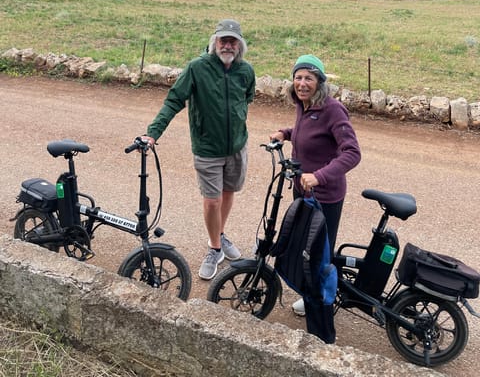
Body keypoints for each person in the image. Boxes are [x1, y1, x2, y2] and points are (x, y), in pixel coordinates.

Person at [141, 19, 256, 280]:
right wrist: (153, 133)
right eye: (223, 40)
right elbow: (174, 100)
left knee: (228, 193)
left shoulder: (246, 71)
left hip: (237, 146)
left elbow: (247, 98)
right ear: (214, 41)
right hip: (207, 148)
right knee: (211, 200)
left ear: (239, 45)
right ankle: (215, 247)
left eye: (232, 41)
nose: (227, 45)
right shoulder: (197, 68)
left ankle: (220, 234)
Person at [270, 54, 361, 343]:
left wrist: (319, 176)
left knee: (319, 252)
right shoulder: (304, 106)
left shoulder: (333, 110)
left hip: (325, 196)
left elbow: (352, 153)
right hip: (303, 190)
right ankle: (309, 291)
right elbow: (307, 131)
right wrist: (286, 133)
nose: (302, 83)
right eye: (298, 77)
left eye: (309, 78)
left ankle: (322, 301)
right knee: (302, 246)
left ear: (319, 82)